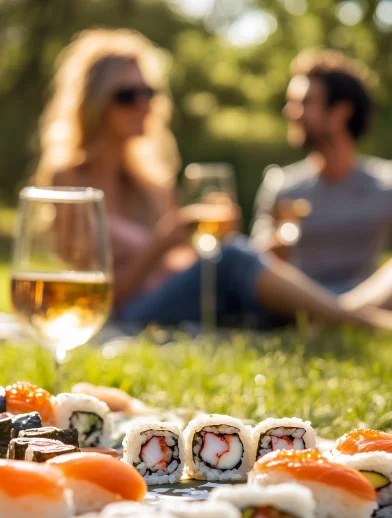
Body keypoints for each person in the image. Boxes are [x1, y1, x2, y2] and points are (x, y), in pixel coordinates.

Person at [36, 30, 392, 331]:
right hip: (128, 314)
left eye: (150, 93)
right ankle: (363, 322)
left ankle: (342, 314)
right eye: (129, 95)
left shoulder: (150, 179)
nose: (144, 104)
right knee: (234, 258)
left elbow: (182, 267)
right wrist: (163, 244)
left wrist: (202, 246)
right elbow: (95, 298)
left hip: (181, 304)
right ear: (96, 102)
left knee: (233, 260)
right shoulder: (69, 179)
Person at [252, 50, 392, 307]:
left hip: (370, 299)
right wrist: (277, 244)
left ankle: (348, 312)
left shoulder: (386, 185)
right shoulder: (282, 186)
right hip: (298, 305)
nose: (290, 112)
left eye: (304, 102)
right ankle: (347, 315)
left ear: (340, 112)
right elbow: (255, 265)